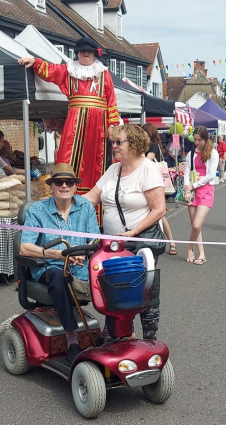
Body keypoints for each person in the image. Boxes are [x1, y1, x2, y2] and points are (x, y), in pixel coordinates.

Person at [85, 124, 166, 339]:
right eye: (114, 142)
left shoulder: (148, 169)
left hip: (139, 244)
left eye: (119, 142)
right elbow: (92, 198)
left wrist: (133, 232)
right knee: (115, 288)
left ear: (134, 144)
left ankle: (150, 339)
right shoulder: (114, 169)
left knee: (145, 292)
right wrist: (63, 202)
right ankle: (118, 334)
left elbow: (159, 209)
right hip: (113, 247)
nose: (114, 146)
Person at [18, 37, 121, 194]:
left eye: (89, 51)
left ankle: (94, 203)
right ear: (78, 53)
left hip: (97, 126)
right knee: (67, 158)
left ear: (94, 54)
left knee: (96, 163)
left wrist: (112, 125)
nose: (86, 53)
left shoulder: (103, 74)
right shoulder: (69, 70)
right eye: (82, 51)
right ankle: (67, 197)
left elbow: (111, 101)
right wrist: (36, 62)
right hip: (74, 123)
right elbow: (51, 71)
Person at [19, 164, 100, 362]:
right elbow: (24, 248)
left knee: (114, 274)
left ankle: (110, 333)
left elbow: (95, 238)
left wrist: (86, 251)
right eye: (59, 182)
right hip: (50, 268)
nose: (64, 185)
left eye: (69, 182)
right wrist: (59, 255)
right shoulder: (37, 210)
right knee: (59, 275)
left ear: (75, 187)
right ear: (52, 186)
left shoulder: (85, 206)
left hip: (82, 266)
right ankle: (71, 338)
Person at [182, 125, 218, 265]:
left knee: (197, 225)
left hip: (206, 189)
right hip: (192, 190)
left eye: (199, 140)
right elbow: (187, 173)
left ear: (205, 139)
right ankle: (201, 254)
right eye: (195, 140)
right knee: (194, 225)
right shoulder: (191, 154)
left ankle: (189, 248)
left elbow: (210, 175)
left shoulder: (212, 153)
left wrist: (194, 185)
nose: (196, 143)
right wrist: (187, 190)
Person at [142, 123, 177, 256]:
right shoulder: (146, 146)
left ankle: (171, 242)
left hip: (155, 183)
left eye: (144, 132)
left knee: (159, 214)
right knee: (152, 214)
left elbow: (147, 161)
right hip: (145, 183)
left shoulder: (154, 146)